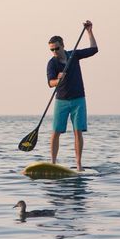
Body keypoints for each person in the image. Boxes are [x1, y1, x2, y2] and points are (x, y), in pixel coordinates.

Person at [47, 21, 98, 171]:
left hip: (78, 99)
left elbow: (94, 49)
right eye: (52, 50)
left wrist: (89, 31)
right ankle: (53, 163)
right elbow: (50, 83)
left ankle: (79, 165)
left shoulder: (73, 55)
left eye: (57, 48)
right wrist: (58, 80)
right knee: (56, 132)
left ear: (63, 46)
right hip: (61, 101)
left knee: (78, 131)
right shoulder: (52, 63)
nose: (55, 52)